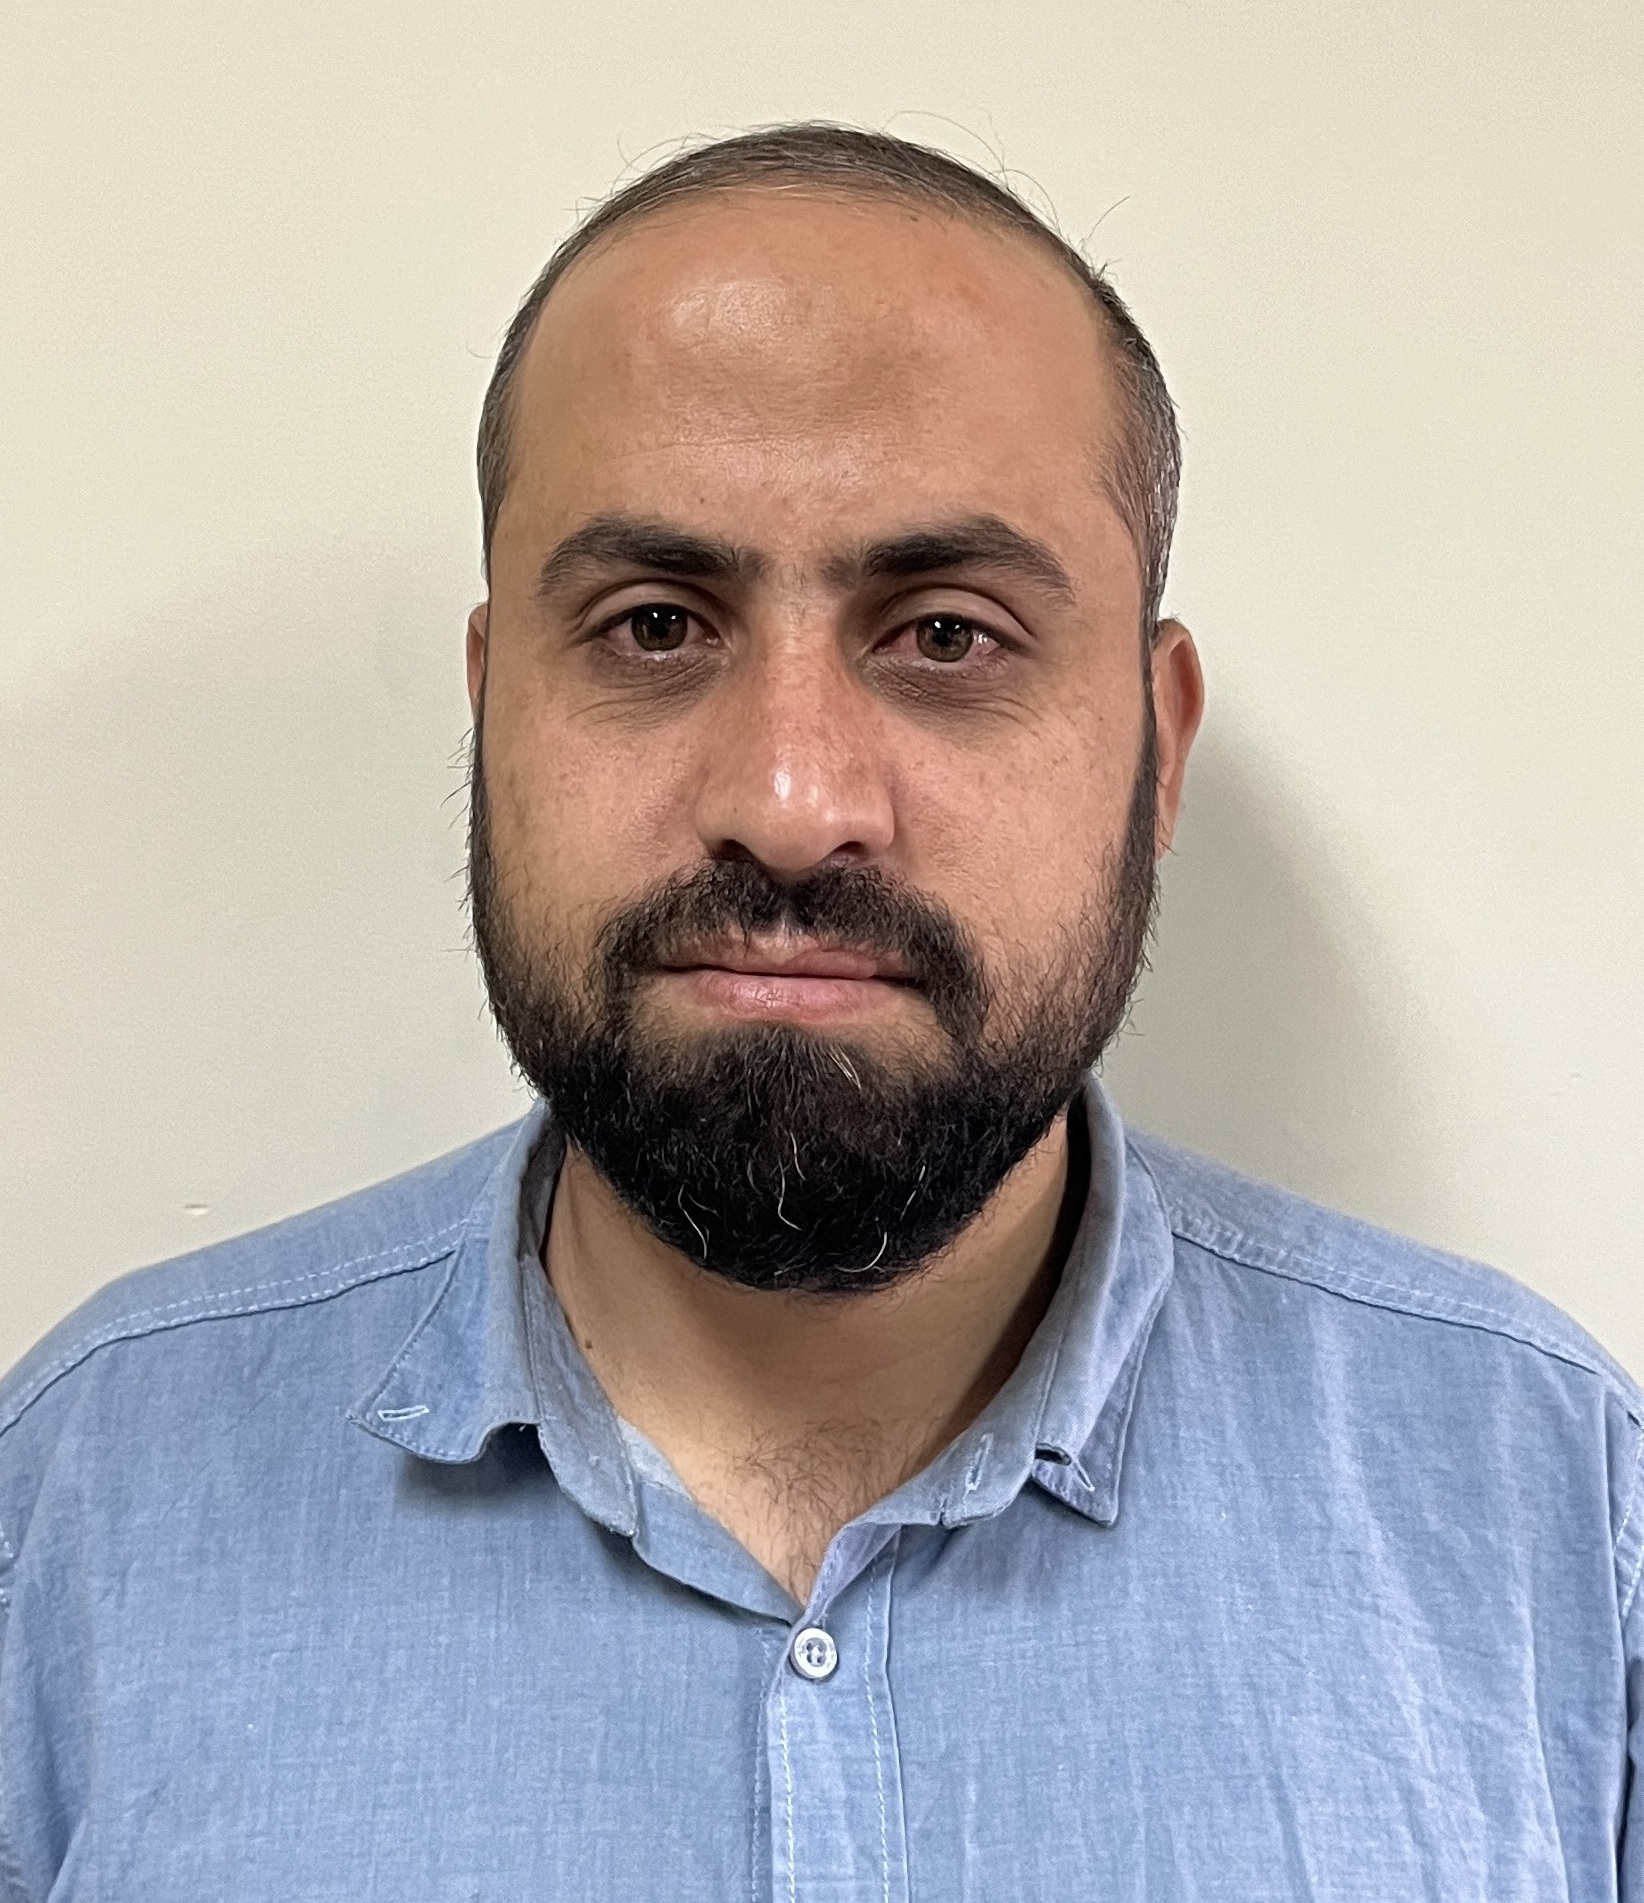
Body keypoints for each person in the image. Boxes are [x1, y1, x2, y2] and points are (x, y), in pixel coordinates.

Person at [1, 123, 1638, 1901]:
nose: (789, 803)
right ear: (492, 710)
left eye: (947, 634)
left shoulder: (1554, 1517)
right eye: (652, 626)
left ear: (1157, 749)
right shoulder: (76, 1510)